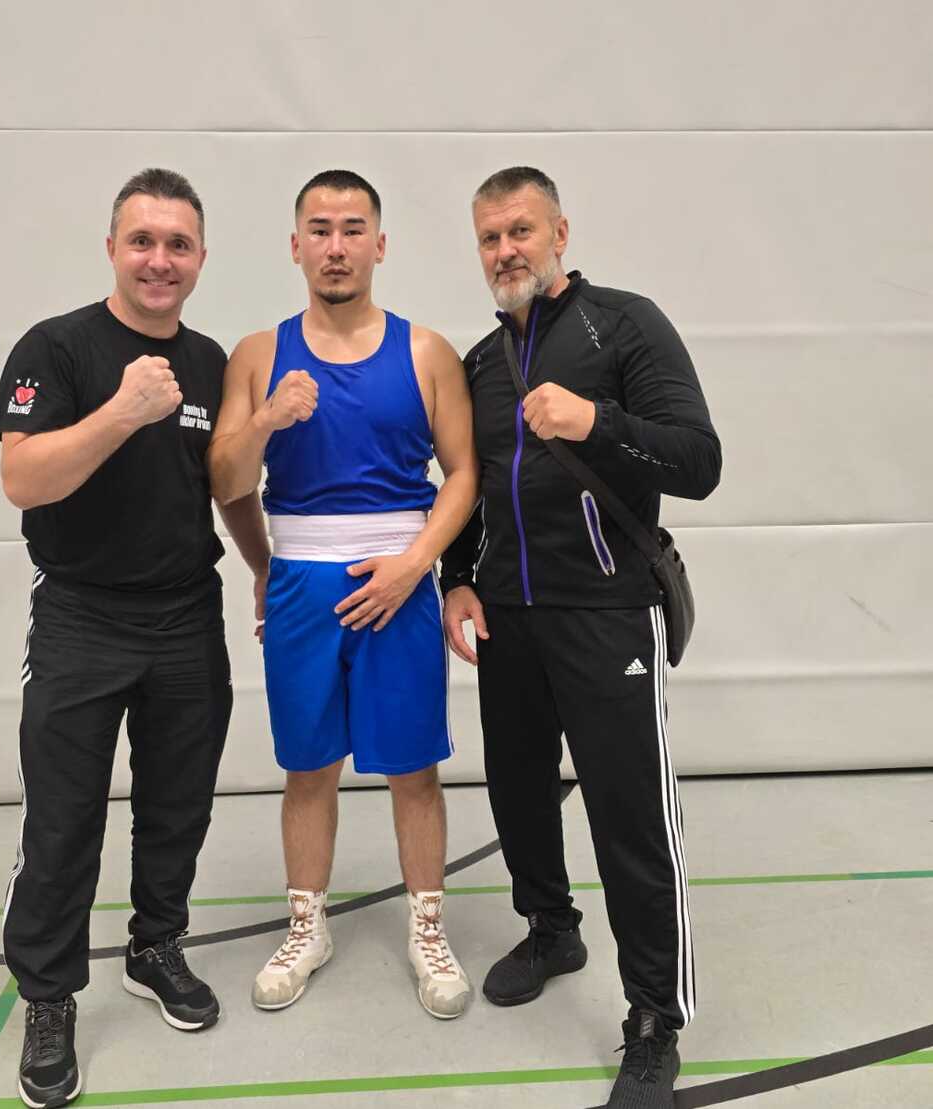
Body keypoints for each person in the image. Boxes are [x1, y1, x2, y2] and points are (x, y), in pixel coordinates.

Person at [0, 168, 270, 1109]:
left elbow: (227, 483)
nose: (159, 260)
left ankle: (155, 945)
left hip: (186, 614)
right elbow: (24, 480)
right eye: (142, 241)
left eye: (177, 244)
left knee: (178, 804)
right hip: (81, 617)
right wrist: (120, 411)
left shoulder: (211, 360)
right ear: (113, 247)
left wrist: (266, 569)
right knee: (63, 817)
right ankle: (50, 993)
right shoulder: (58, 347)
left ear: (199, 259)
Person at [440, 166, 721, 1107]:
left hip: (607, 614)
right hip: (509, 619)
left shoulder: (622, 324)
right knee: (518, 795)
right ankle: (551, 928)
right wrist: (457, 581)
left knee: (630, 818)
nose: (505, 250)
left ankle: (653, 1016)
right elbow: (468, 492)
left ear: (559, 230)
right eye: (488, 238)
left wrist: (593, 419)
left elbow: (699, 460)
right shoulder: (480, 364)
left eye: (520, 229)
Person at [208, 169, 479, 1020]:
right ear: (295, 246)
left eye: (352, 228)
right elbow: (222, 479)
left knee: (413, 769)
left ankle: (427, 927)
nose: (335, 245)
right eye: (318, 229)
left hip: (398, 581)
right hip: (300, 582)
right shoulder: (257, 354)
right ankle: (306, 924)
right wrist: (264, 422)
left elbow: (463, 472)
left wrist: (416, 563)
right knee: (307, 766)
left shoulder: (426, 350)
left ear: (379, 244)